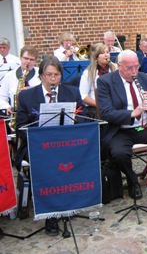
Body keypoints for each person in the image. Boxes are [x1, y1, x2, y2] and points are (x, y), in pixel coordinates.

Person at [15, 56, 84, 236]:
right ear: (41, 76)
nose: (52, 79)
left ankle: (70, 201)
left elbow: (82, 119)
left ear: (61, 75)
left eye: (56, 75)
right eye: (48, 75)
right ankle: (50, 214)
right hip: (38, 146)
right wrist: (40, 138)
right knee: (47, 165)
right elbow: (20, 127)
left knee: (80, 156)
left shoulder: (72, 93)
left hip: (66, 144)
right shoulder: (26, 96)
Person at [96, 50, 147, 201]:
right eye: (129, 68)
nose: (134, 71)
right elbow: (107, 112)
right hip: (120, 129)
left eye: (136, 66)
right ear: (119, 66)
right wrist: (133, 113)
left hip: (142, 127)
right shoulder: (105, 82)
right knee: (119, 154)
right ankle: (132, 179)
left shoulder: (144, 78)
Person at [0, 46, 41, 117]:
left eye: (31, 59)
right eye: (26, 58)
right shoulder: (9, 76)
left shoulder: (41, 73)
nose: (28, 61)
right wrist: (7, 107)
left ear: (35, 61)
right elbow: (2, 97)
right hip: (17, 114)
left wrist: (30, 90)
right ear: (20, 58)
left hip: (37, 113)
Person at [79, 43, 118, 119]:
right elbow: (83, 96)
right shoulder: (88, 72)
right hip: (95, 108)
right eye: (103, 53)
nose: (106, 55)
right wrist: (100, 104)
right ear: (96, 57)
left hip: (113, 107)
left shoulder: (114, 69)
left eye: (107, 52)